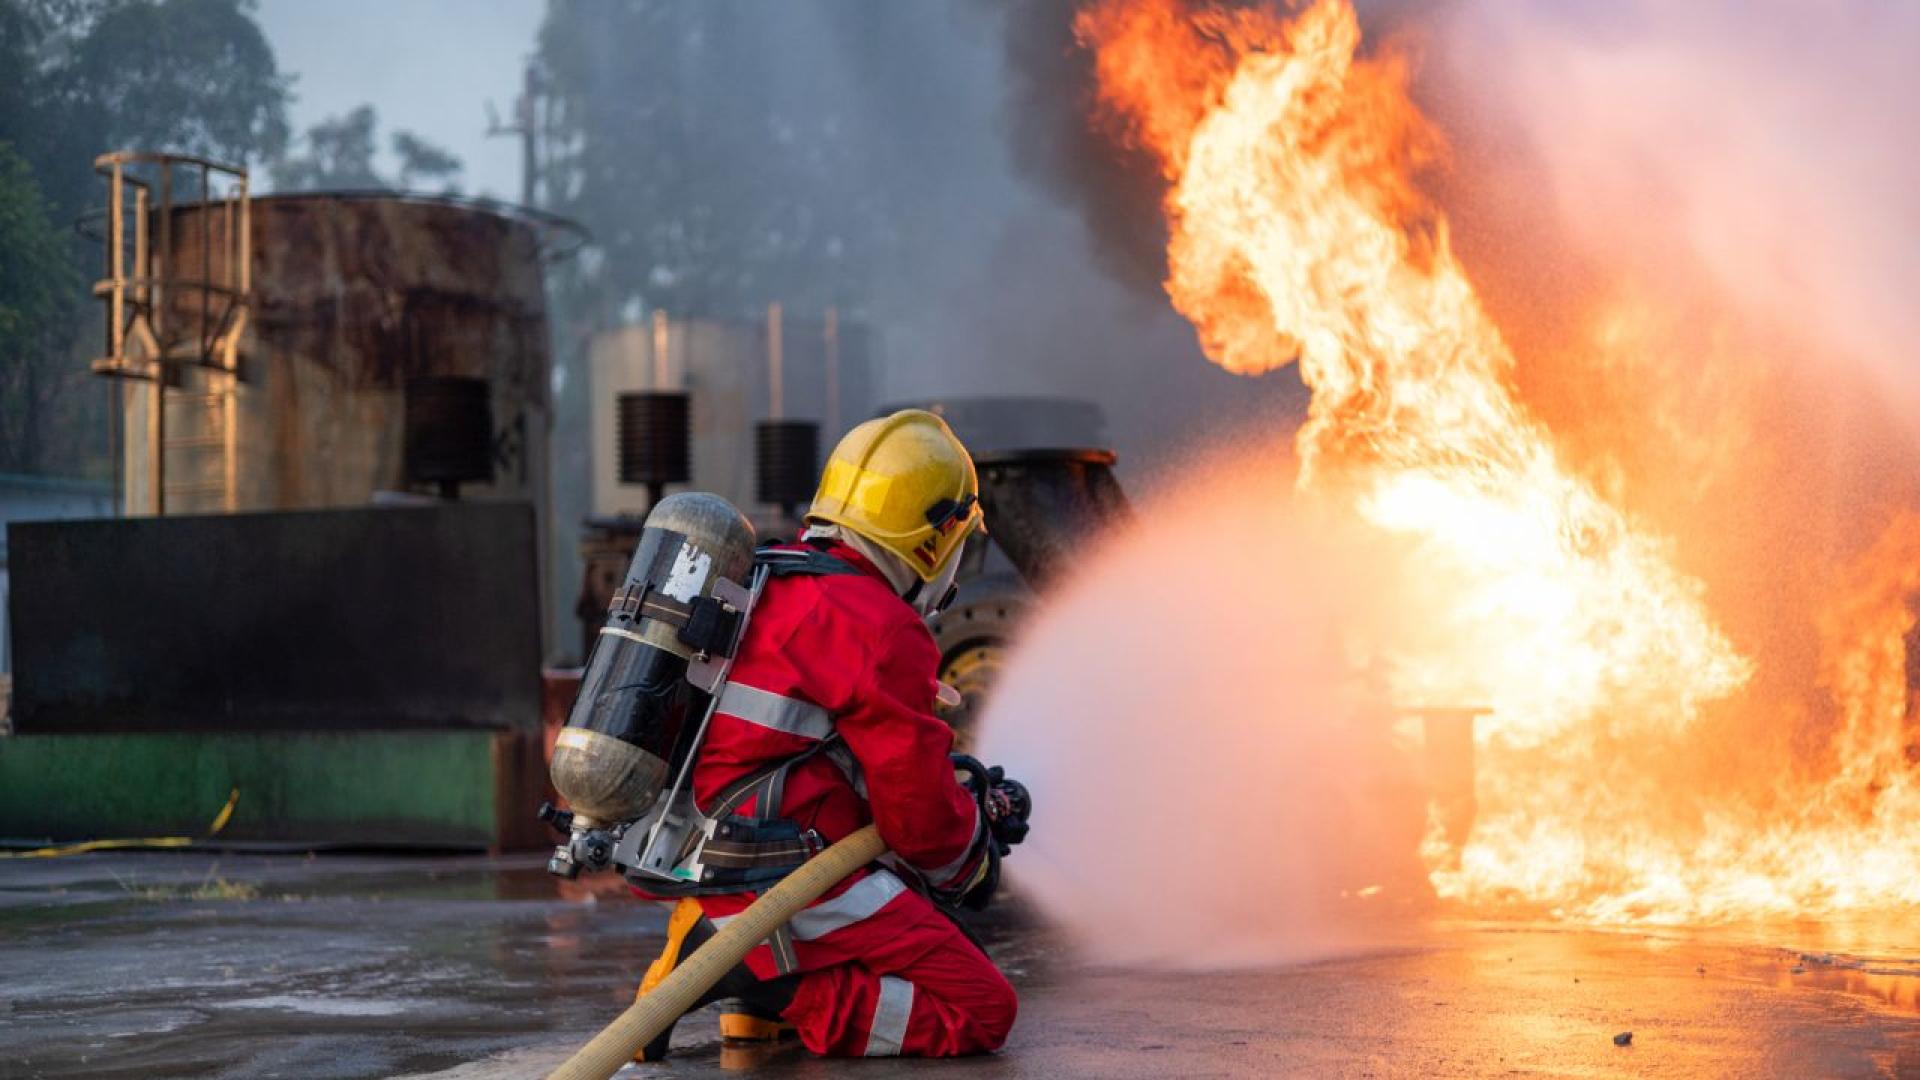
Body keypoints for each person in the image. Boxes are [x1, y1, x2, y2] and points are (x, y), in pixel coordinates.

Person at [634, 408, 1019, 1060]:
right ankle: (768, 983)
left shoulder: (775, 572)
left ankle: (753, 996)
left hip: (695, 845)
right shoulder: (878, 623)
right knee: (981, 1009)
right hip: (776, 871)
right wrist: (975, 855)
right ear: (933, 540)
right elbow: (921, 827)